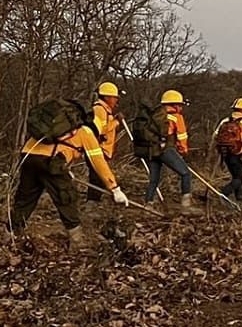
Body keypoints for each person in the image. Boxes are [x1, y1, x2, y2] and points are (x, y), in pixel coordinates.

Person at [11, 84, 128, 246]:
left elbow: (63, 148)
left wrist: (66, 168)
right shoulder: (86, 133)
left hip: (28, 156)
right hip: (50, 162)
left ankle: (12, 233)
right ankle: (77, 240)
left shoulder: (63, 128)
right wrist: (115, 188)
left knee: (26, 197)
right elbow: (98, 163)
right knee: (66, 197)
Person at [145, 90, 194, 208]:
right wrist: (183, 151)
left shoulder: (155, 115)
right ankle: (186, 203)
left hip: (153, 149)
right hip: (166, 150)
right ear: (175, 105)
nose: (181, 108)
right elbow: (182, 136)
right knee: (185, 174)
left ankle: (148, 203)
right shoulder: (177, 117)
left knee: (154, 179)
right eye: (180, 105)